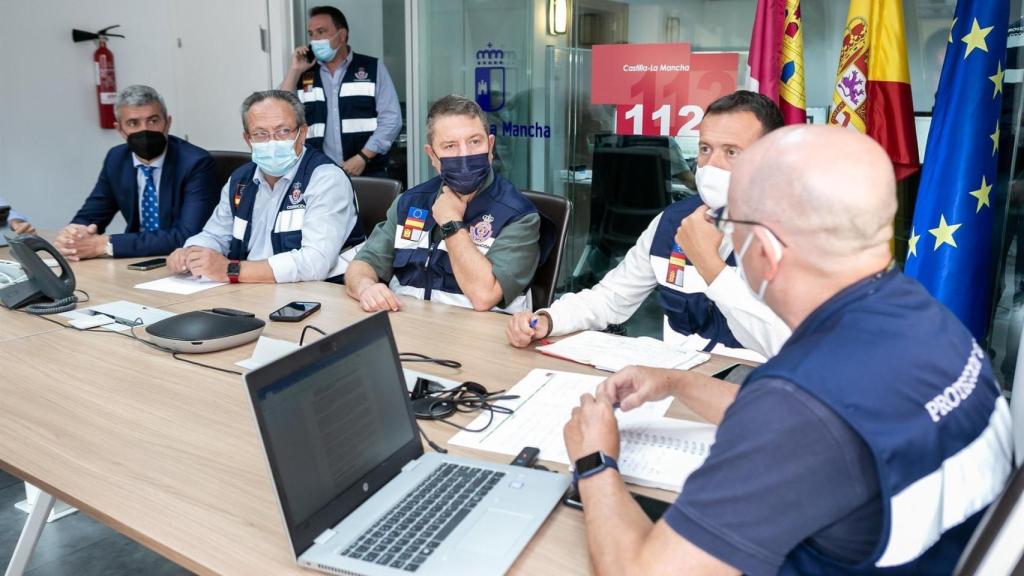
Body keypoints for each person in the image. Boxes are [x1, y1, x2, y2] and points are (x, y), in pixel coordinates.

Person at [563, 125, 1014, 575]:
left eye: (728, 224)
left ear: (765, 248)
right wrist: (676, 382)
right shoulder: (925, 317)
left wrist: (594, 460)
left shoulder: (799, 401)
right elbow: (835, 420)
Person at [507, 91, 790, 361]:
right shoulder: (671, 223)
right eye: (705, 149)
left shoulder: (796, 238)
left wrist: (709, 265)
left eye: (731, 152)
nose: (710, 166)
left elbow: (791, 344)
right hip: (676, 380)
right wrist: (548, 319)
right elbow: (611, 298)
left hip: (757, 388)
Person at [346, 95, 542, 312]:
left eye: (475, 141)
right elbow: (363, 264)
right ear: (432, 155)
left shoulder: (518, 215)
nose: (464, 155)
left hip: (476, 339)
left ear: (490, 146)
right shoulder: (410, 203)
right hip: (408, 327)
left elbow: (484, 296)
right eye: (450, 146)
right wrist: (366, 288)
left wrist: (451, 223)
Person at [167, 90, 362, 283]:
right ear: (248, 140)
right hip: (250, 288)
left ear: (302, 133)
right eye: (260, 134)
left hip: (317, 293)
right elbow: (215, 235)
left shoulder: (326, 178)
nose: (272, 142)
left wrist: (230, 270)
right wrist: (190, 253)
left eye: (283, 131)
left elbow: (315, 263)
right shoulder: (240, 180)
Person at [55, 85, 218, 261]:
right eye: (133, 123)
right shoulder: (116, 159)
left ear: (168, 123)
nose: (144, 130)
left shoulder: (195, 162)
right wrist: (73, 235)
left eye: (153, 120)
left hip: (181, 261)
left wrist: (105, 245)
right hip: (132, 260)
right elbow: (91, 215)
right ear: (120, 130)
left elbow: (187, 235)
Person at [280, 5, 401, 178]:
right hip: (317, 172)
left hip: (368, 170)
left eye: (321, 32)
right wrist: (295, 70)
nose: (315, 39)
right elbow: (280, 112)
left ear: (342, 35)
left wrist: (363, 157)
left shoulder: (372, 68)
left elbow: (391, 119)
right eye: (311, 34)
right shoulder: (303, 73)